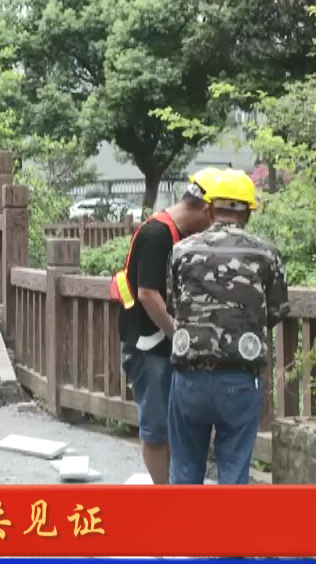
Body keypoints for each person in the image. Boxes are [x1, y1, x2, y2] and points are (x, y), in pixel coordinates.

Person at [165, 169, 289, 486]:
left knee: (184, 470)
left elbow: (175, 304)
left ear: (208, 209)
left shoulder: (182, 250)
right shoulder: (266, 253)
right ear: (247, 212)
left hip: (189, 377)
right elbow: (276, 311)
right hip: (241, 377)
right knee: (234, 474)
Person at [113, 169, 219, 485]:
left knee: (176, 428)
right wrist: (179, 336)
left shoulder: (177, 235)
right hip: (149, 347)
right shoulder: (158, 235)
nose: (213, 227)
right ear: (205, 209)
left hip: (164, 347)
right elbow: (147, 293)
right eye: (215, 218)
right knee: (157, 431)